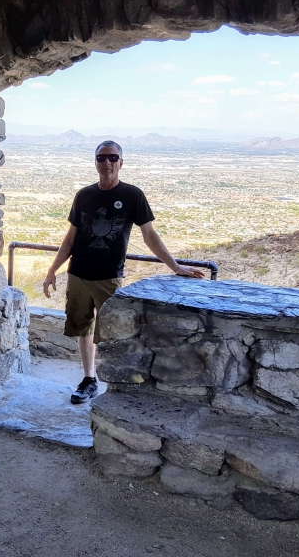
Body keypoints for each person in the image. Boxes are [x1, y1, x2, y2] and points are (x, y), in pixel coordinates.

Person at [42, 140, 205, 404]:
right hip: (78, 274)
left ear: (121, 162)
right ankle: (89, 379)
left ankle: (119, 385)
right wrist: (52, 271)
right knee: (83, 329)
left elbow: (149, 235)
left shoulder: (132, 195)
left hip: (109, 277)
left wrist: (175, 266)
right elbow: (70, 238)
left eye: (112, 158)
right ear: (95, 162)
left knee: (113, 332)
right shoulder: (83, 195)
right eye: (101, 158)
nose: (107, 163)